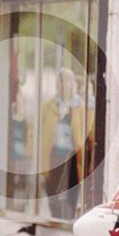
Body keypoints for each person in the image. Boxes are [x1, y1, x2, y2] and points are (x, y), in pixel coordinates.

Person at [41, 67, 85, 220]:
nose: (62, 84)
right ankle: (56, 218)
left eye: (65, 81)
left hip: (72, 154)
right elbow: (41, 133)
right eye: (59, 81)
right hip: (54, 153)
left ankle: (68, 218)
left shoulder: (80, 106)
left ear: (72, 84)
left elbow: (84, 132)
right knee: (52, 189)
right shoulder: (48, 106)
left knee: (71, 191)